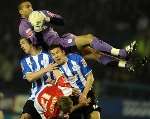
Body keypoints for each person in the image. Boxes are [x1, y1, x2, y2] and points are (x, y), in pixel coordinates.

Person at [18, 0, 136, 64]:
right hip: (53, 48)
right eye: (26, 7)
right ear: (21, 12)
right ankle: (121, 53)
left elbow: (61, 21)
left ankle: (120, 63)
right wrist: (37, 29)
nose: (30, 8)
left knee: (90, 51)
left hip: (60, 39)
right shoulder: (23, 27)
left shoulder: (40, 13)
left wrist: (48, 19)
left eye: (30, 6)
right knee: (89, 39)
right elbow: (39, 45)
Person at [48, 45, 101, 119]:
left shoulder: (76, 58)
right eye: (53, 54)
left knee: (95, 116)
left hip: (86, 92)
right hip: (70, 100)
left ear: (63, 52)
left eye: (57, 52)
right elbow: (54, 86)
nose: (56, 56)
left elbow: (90, 77)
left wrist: (84, 95)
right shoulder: (53, 68)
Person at [19, 37, 57, 119]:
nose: (21, 46)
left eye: (23, 43)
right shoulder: (24, 61)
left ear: (31, 42)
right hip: (35, 97)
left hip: (51, 96)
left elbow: (58, 70)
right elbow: (29, 78)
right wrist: (46, 69)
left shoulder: (48, 55)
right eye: (20, 44)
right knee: (25, 117)